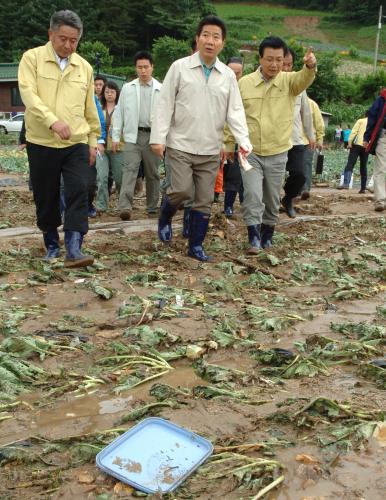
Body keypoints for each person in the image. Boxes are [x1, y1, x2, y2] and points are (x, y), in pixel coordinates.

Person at [150, 15, 251, 261]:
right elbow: (164, 105)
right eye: (205, 35)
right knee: (181, 191)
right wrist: (158, 137)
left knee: (204, 200)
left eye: (216, 37)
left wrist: (244, 141)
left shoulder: (227, 75)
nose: (210, 41)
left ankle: (195, 246)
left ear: (222, 44)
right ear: (197, 39)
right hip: (180, 144)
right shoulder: (179, 67)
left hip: (209, 148)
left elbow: (235, 111)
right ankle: (165, 215)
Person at [18, 10, 100, 267]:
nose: (68, 45)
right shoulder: (32, 59)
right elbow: (28, 95)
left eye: (73, 40)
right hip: (42, 140)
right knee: (46, 195)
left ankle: (74, 248)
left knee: (80, 189)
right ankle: (52, 244)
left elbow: (90, 108)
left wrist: (93, 139)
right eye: (62, 39)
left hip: (75, 140)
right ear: (51, 34)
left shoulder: (84, 67)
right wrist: (51, 120)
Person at [224, 36, 316, 253]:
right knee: (253, 195)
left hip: (278, 151)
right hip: (250, 152)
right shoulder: (244, 84)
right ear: (260, 59)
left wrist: (310, 65)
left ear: (283, 60)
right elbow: (233, 115)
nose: (274, 64)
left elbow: (304, 78)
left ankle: (268, 234)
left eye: (278, 59)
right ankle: (253, 238)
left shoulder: (289, 82)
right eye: (269, 59)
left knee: (272, 199)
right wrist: (228, 143)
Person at [112, 51, 162, 220]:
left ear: (152, 67)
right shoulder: (128, 88)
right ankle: (125, 207)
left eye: (146, 67)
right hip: (133, 136)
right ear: (136, 68)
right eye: (139, 67)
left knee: (153, 173)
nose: (143, 71)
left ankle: (152, 207)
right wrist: (116, 136)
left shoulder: (160, 89)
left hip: (153, 137)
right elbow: (119, 113)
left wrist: (164, 138)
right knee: (129, 171)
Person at [281, 47, 315, 218]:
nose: (286, 68)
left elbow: (306, 112)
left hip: (295, 139)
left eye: (289, 64)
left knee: (300, 174)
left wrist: (311, 135)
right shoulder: (270, 83)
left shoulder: (298, 84)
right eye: (283, 64)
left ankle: (287, 198)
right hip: (275, 140)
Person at [95, 81, 124, 213]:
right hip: (101, 147)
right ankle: (101, 205)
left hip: (118, 147)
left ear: (117, 93)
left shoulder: (121, 108)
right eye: (107, 92)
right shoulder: (99, 108)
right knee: (102, 177)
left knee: (119, 177)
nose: (109, 94)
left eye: (112, 92)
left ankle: (123, 204)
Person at [223, 56, 245, 218]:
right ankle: (226, 204)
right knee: (230, 174)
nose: (235, 76)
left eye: (238, 73)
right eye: (232, 72)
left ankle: (243, 205)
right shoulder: (218, 86)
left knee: (240, 173)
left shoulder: (245, 89)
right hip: (219, 138)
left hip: (240, 140)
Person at [364, 88, 386, 212]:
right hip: (383, 136)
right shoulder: (382, 99)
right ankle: (380, 200)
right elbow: (372, 117)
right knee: (381, 168)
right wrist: (367, 137)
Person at [338, 113, 369, 193]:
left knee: (350, 163)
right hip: (367, 146)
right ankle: (363, 188)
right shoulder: (374, 122)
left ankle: (346, 184)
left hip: (356, 145)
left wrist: (349, 143)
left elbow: (354, 132)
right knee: (363, 166)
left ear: (365, 115)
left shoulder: (361, 121)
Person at [301, 97, 325, 199]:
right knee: (294, 167)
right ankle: (294, 189)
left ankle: (305, 189)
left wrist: (320, 139)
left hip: (308, 141)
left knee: (306, 164)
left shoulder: (312, 104)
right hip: (291, 141)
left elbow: (319, 123)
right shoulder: (289, 100)